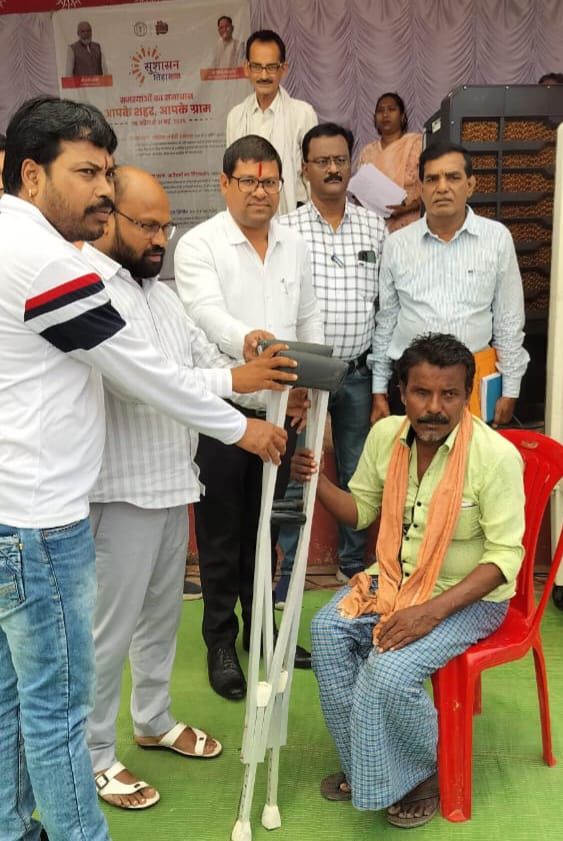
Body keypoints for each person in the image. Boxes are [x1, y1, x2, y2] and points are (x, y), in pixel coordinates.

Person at [0, 96, 288, 841]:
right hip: (51, 512)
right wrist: (242, 425)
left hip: (69, 500)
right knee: (61, 702)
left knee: (31, 692)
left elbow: (186, 359)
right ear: (30, 175)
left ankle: (123, 741)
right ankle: (86, 794)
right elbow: (143, 376)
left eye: (106, 173)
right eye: (86, 173)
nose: (100, 190)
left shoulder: (59, 258)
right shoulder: (54, 263)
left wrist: (238, 368)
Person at [82, 166, 296, 811]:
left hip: (171, 481)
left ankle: (152, 720)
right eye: (146, 226)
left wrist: (261, 370)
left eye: (166, 227)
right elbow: (149, 383)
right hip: (119, 488)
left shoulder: (160, 293)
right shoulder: (90, 288)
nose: (159, 239)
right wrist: (238, 403)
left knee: (160, 619)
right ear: (108, 218)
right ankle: (94, 754)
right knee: (108, 632)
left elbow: (204, 359)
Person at [293, 333, 525, 827]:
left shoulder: (496, 457)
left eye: (449, 394)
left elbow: (505, 559)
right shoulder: (386, 437)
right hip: (395, 579)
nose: (434, 408)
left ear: (467, 395)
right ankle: (368, 763)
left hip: (469, 597)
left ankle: (421, 772)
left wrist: (430, 613)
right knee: (327, 633)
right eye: (422, 392)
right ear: (401, 391)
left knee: (389, 670)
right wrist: (316, 482)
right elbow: (361, 512)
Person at [174, 134, 325, 700]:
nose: (260, 191)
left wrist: (307, 379)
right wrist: (249, 339)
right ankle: (220, 641)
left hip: (282, 411)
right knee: (220, 535)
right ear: (224, 184)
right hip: (221, 412)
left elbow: (308, 318)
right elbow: (204, 312)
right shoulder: (200, 243)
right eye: (248, 181)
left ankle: (263, 631)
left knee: (266, 531)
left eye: (269, 182)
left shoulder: (295, 244)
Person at [275, 122, 387, 599]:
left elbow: (384, 305)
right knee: (297, 470)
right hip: (304, 377)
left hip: (358, 374)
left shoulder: (374, 226)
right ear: (305, 170)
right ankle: (288, 571)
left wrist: (380, 382)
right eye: (322, 161)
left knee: (358, 472)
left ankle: (350, 567)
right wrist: (293, 380)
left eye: (340, 159)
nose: (333, 168)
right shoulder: (286, 230)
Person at [371, 140, 529, 427]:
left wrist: (511, 389)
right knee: (410, 455)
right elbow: (387, 321)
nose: (442, 187)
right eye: (432, 179)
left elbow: (508, 320)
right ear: (421, 188)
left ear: (470, 185)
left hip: (470, 384)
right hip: (410, 385)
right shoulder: (397, 244)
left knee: (470, 456)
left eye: (453, 177)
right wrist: (378, 389)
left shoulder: (496, 239)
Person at [226, 29, 317, 215]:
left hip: (294, 216)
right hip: (248, 216)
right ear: (247, 68)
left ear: (283, 68)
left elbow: (313, 178)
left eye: (271, 67)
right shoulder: (235, 116)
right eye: (257, 67)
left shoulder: (303, 114)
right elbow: (232, 175)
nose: (264, 75)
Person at [358, 92, 422, 232]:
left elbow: (432, 187)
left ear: (402, 116)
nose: (385, 115)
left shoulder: (417, 144)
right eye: (380, 111)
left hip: (412, 227)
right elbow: (360, 194)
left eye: (391, 109)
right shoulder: (367, 152)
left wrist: (408, 208)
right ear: (375, 118)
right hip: (376, 229)